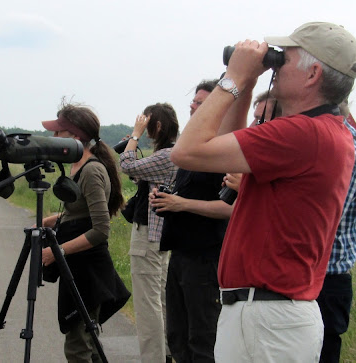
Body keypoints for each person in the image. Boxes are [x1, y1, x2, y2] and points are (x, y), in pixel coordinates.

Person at [169, 22, 356, 362]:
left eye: (282, 59)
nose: (273, 64)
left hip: (266, 318)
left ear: (313, 73)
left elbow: (186, 152)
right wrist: (247, 85)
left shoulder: (301, 133)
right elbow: (221, 153)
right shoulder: (324, 130)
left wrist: (233, 79)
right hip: (274, 317)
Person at [149, 80, 233, 363]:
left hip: (206, 257)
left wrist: (180, 203)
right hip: (180, 254)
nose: (192, 106)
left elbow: (229, 208)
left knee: (202, 337)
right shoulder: (193, 150)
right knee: (177, 335)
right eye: (193, 102)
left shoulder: (224, 151)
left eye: (200, 103)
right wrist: (167, 201)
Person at [41, 101, 130, 362]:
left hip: (88, 269)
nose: (54, 138)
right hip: (77, 266)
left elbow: (101, 229)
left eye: (59, 132)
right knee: (83, 340)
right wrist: (57, 218)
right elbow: (86, 212)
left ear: (76, 136)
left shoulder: (91, 170)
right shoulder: (77, 166)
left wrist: (57, 251)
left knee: (79, 345)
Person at [118, 103, 179, 363]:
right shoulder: (175, 153)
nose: (144, 128)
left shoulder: (168, 155)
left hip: (149, 235)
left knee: (147, 304)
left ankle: (153, 358)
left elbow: (128, 166)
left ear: (158, 126)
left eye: (147, 123)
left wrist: (134, 136)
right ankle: (164, 354)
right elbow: (140, 174)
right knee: (161, 299)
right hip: (162, 236)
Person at [317, 101, 356, 363]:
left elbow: (321, 220)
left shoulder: (347, 149)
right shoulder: (343, 142)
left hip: (325, 277)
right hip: (323, 277)